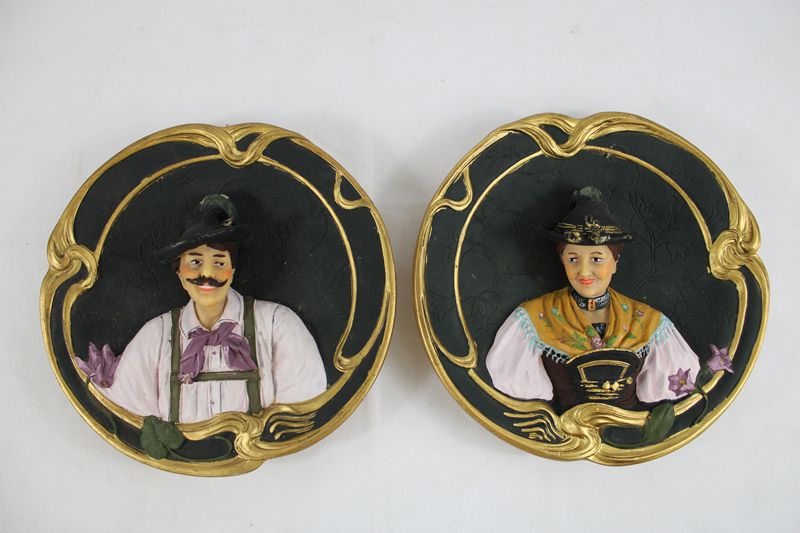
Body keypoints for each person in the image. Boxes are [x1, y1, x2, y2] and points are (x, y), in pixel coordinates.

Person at [85, 194, 327, 423]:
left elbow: (301, 412)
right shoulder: (155, 336)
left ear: (233, 270)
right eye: (195, 262)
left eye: (219, 262)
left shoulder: (277, 325)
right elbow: (130, 415)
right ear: (179, 273)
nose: (207, 273)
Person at [486, 187, 700, 412]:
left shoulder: (648, 321)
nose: (584, 272)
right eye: (573, 259)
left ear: (615, 261)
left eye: (597, 259)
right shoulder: (533, 318)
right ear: (562, 260)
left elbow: (670, 388)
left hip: (627, 426)